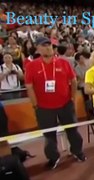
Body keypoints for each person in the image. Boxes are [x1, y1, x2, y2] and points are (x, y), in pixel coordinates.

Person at [25, 37, 86, 170]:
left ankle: (78, 151)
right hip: (43, 107)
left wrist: (72, 98)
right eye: (44, 46)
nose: (48, 48)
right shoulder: (32, 65)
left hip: (65, 104)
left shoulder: (63, 63)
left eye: (50, 46)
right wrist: (35, 104)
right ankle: (53, 157)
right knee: (49, 135)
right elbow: (29, 86)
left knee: (73, 131)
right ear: (38, 49)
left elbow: (73, 80)